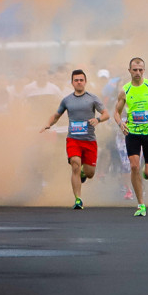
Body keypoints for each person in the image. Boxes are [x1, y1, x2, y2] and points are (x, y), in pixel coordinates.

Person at [41, 69, 110, 209]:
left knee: (90, 173)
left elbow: (106, 114)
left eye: (81, 80)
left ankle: (84, 172)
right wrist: (48, 124)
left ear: (85, 82)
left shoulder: (92, 98)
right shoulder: (67, 100)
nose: (79, 82)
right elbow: (56, 115)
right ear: (72, 82)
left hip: (89, 140)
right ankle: (78, 200)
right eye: (76, 80)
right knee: (75, 164)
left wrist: (97, 119)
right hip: (73, 139)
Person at [114, 57, 148, 217]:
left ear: (144, 70)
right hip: (133, 133)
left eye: (140, 69)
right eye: (134, 70)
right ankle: (141, 204)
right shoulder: (125, 90)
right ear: (129, 71)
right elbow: (116, 111)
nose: (137, 72)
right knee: (134, 166)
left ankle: (143, 176)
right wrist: (121, 123)